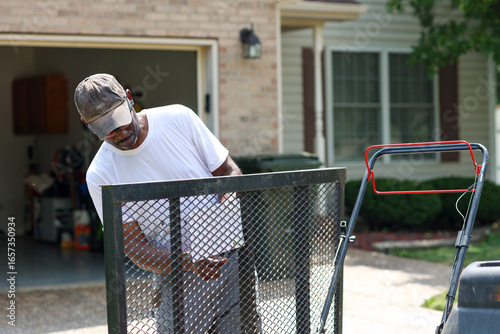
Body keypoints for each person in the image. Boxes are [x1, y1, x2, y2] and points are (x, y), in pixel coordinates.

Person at [74, 73, 244, 333]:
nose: (118, 133)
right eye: (105, 129)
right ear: (87, 124)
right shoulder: (101, 174)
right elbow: (131, 244)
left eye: (119, 121)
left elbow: (229, 172)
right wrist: (189, 261)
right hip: (177, 276)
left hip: (232, 261)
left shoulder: (178, 118)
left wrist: (218, 235)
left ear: (129, 99)